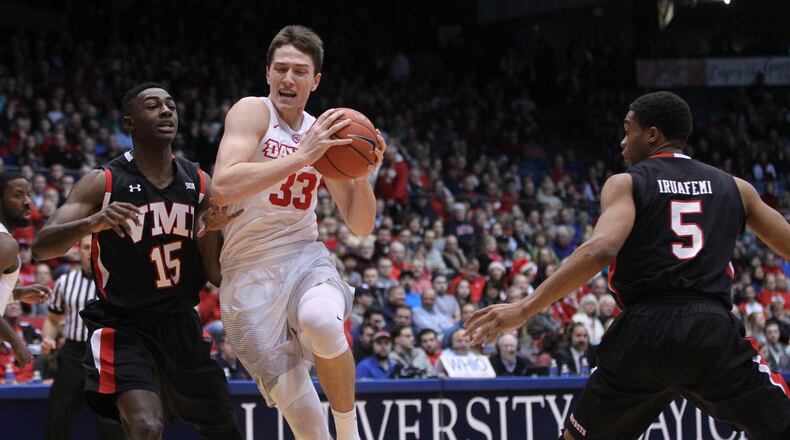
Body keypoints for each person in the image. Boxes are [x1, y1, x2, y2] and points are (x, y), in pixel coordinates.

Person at [466, 91, 790, 439]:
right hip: (709, 329)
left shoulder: (627, 183)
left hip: (642, 330)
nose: (622, 141)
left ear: (651, 134)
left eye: (627, 130)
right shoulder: (735, 187)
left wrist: (525, 308)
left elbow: (602, 248)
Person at [32, 83, 243, 440]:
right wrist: (91, 223)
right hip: (124, 326)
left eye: (171, 105)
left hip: (180, 325)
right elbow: (40, 248)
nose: (166, 111)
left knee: (223, 428)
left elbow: (216, 274)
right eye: (153, 105)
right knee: (145, 425)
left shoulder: (198, 181)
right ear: (129, 123)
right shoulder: (103, 182)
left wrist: (210, 234)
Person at [211, 25, 386, 440]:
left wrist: (362, 175)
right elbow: (222, 186)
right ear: (268, 74)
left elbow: (361, 227)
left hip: (302, 254)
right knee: (308, 428)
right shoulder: (252, 111)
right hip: (246, 271)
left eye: (299, 71)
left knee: (322, 319)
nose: (289, 78)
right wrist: (302, 156)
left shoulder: (327, 134)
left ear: (315, 80)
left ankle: (350, 432)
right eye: (281, 69)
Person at [44, 234, 124, 439]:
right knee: (57, 416)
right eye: (87, 247)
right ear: (79, 251)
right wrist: (48, 338)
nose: (90, 252)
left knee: (109, 422)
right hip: (72, 354)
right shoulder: (64, 282)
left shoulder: (116, 282)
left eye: (94, 247)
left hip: (105, 355)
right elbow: (53, 319)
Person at [0, 172, 51, 369]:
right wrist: (16, 342)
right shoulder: (6, 244)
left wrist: (17, 294)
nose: (28, 201)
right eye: (18, 195)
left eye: (28, 194)